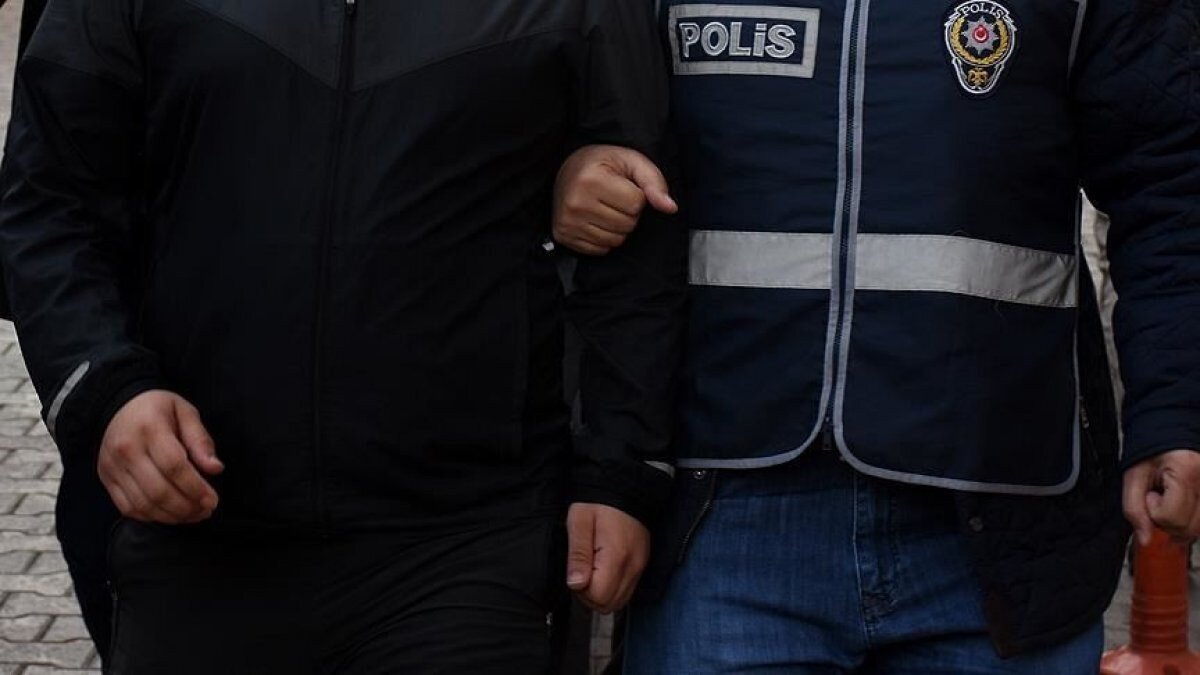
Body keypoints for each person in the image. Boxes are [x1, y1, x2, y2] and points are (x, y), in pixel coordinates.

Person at [0, 0, 686, 671]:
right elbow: (51, 198)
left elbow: (638, 229)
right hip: (200, 532)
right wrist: (106, 391)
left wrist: (619, 470)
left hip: (468, 546)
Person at [553, 0, 1200, 672]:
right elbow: (566, 127)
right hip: (722, 520)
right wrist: (617, 466)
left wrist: (1178, 409)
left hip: (1003, 527)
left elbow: (1171, 179)